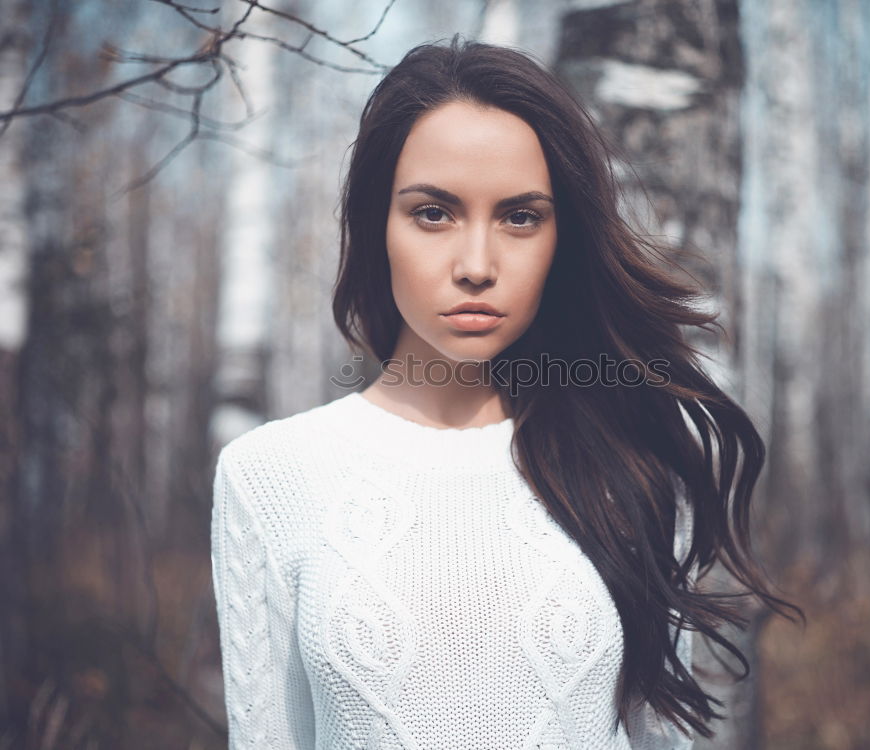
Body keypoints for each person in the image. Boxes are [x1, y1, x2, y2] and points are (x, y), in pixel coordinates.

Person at [210, 34, 801, 750]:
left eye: (520, 217)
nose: (477, 264)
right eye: (434, 212)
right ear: (375, 225)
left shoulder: (633, 467)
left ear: (563, 238)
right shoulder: (270, 477)